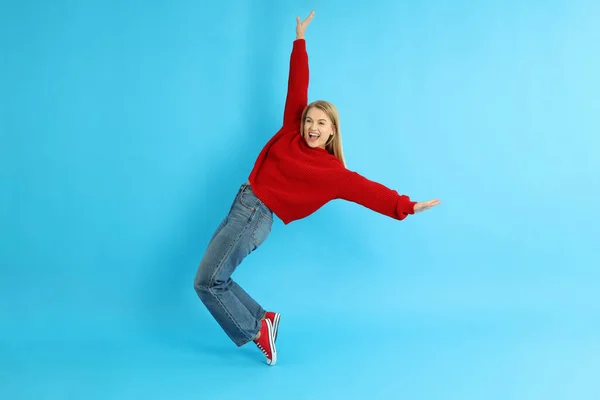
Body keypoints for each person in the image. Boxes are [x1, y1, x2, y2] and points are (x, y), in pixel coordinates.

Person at [193, 11, 441, 366]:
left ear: (331, 132)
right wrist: (300, 40)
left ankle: (257, 330)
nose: (311, 127)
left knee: (207, 281)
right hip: (243, 204)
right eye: (310, 119)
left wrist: (407, 205)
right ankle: (264, 319)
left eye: (320, 124)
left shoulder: (331, 173)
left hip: (255, 215)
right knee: (216, 277)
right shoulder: (292, 129)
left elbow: (369, 191)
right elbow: (298, 83)